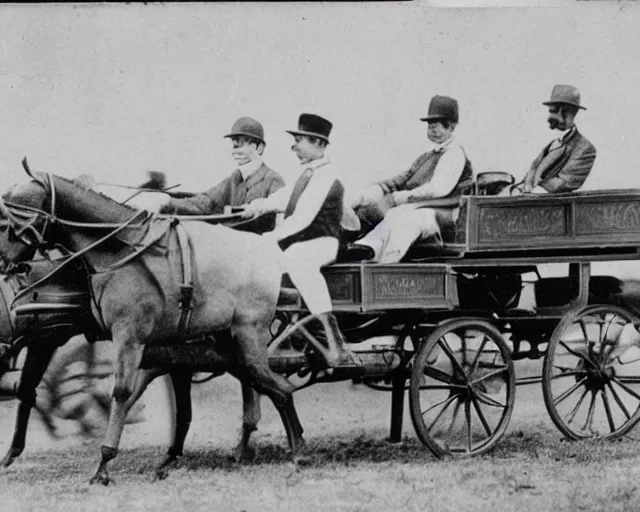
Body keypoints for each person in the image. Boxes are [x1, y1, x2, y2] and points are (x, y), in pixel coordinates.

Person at [242, 113, 361, 369]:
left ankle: (334, 341)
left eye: (299, 140)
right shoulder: (307, 174)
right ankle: (292, 330)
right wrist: (258, 206)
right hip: (304, 242)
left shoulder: (328, 176)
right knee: (274, 264)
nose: (293, 146)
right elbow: (285, 198)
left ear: (318, 144)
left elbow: (303, 218)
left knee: (297, 262)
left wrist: (268, 239)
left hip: (322, 241)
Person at [348, 95, 473, 263]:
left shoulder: (455, 154)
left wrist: (405, 196)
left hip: (446, 215)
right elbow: (401, 179)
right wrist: (366, 194)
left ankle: (379, 256)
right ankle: (366, 247)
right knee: (385, 211)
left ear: (451, 128)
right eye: (430, 127)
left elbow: (438, 189)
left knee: (402, 216)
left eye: (438, 127)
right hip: (424, 208)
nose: (433, 131)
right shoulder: (426, 157)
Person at [134, 117, 285, 214]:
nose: (236, 152)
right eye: (234, 147)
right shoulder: (234, 179)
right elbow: (207, 201)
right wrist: (167, 199)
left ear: (259, 148)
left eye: (241, 146)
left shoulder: (273, 180)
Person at [508, 84, 596, 195]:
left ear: (574, 114)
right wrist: (518, 188)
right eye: (554, 110)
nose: (558, 116)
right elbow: (532, 174)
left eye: (564, 112)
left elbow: (563, 182)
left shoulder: (585, 148)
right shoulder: (553, 144)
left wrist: (529, 191)